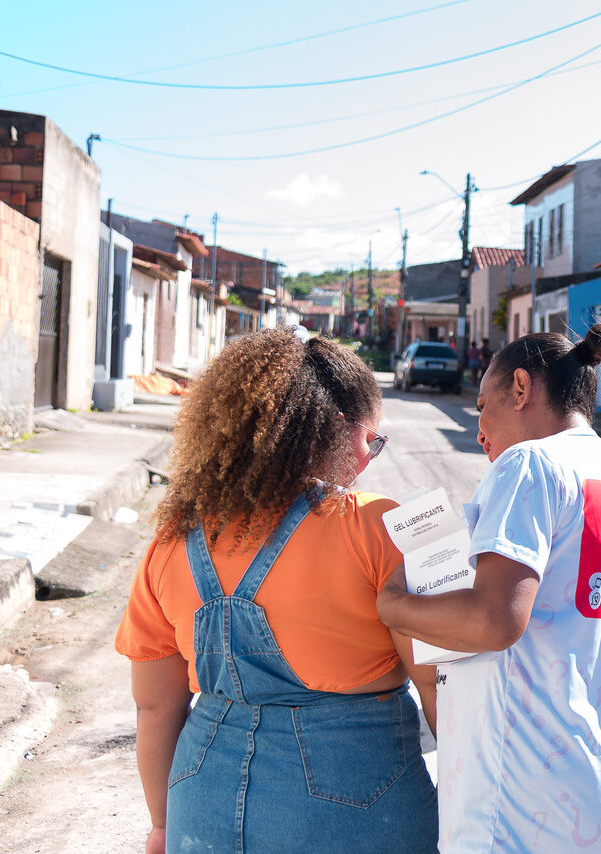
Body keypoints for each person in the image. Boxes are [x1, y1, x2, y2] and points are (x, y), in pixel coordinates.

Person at [115, 329, 439, 854]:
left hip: (201, 802)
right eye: (371, 441)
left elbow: (155, 708)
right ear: (335, 430)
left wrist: (161, 823)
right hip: (356, 802)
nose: (369, 460)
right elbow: (442, 691)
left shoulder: (171, 542)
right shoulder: (380, 527)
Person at [376, 324, 601, 853]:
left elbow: (494, 621)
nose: (479, 431)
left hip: (527, 805)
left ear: (522, 390)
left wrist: (396, 606)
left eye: (483, 406)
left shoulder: (531, 464)